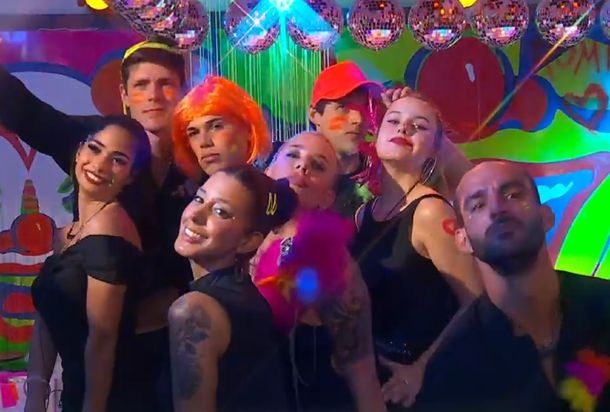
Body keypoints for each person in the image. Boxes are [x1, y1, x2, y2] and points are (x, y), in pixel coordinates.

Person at [1, 35, 191, 410]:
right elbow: (27, 112)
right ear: (124, 94)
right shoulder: (92, 142)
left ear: (183, 93)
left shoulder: (197, 165)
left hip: (165, 361)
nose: (153, 96)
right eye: (141, 84)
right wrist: (37, 390)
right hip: (94, 367)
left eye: (166, 84)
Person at [413, 161, 610, 412]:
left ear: (546, 217)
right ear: (462, 240)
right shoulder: (450, 370)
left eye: (513, 195)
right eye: (478, 205)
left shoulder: (603, 304)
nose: (497, 208)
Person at [350, 89, 481, 410]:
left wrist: (422, 368)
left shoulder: (430, 212)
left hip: (425, 390)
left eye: (419, 126)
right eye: (393, 120)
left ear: (434, 150)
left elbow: (476, 302)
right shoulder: (364, 214)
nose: (404, 128)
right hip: (377, 384)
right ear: (376, 137)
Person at [26, 116, 153, 412]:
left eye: (118, 160)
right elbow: (47, 315)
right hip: (76, 392)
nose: (99, 164)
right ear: (79, 151)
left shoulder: (111, 230)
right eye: (95, 148)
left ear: (131, 176)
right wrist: (35, 394)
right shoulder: (68, 234)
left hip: (110, 400)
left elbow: (102, 339)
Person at [261, 132, 386, 412]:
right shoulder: (235, 237)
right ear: (268, 171)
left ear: (328, 197)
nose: (303, 166)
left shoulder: (337, 263)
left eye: (317, 166)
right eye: (293, 155)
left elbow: (361, 371)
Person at [168, 166, 297, 412]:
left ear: (248, 241)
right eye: (199, 198)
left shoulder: (193, 310)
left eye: (220, 211)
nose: (196, 215)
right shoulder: (244, 294)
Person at [308, 61, 382, 217]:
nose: (358, 119)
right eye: (343, 107)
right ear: (314, 115)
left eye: (364, 107)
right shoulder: (299, 175)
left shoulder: (384, 174)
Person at [172, 75, 271, 182]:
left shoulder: (277, 191)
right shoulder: (183, 191)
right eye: (194, 133)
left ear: (248, 129)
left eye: (216, 126)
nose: (204, 142)